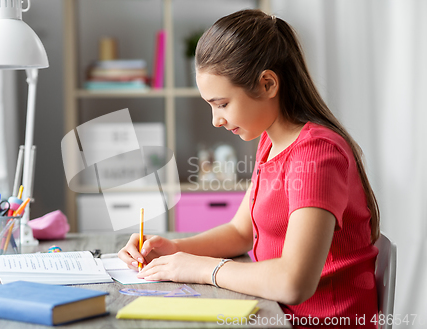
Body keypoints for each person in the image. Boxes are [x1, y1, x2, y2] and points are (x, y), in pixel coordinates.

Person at [118, 9, 379, 328]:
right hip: (277, 315)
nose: (216, 120)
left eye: (222, 104)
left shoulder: (317, 154)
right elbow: (242, 232)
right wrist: (174, 251)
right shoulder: (271, 143)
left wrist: (200, 269)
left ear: (268, 84)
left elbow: (293, 283)